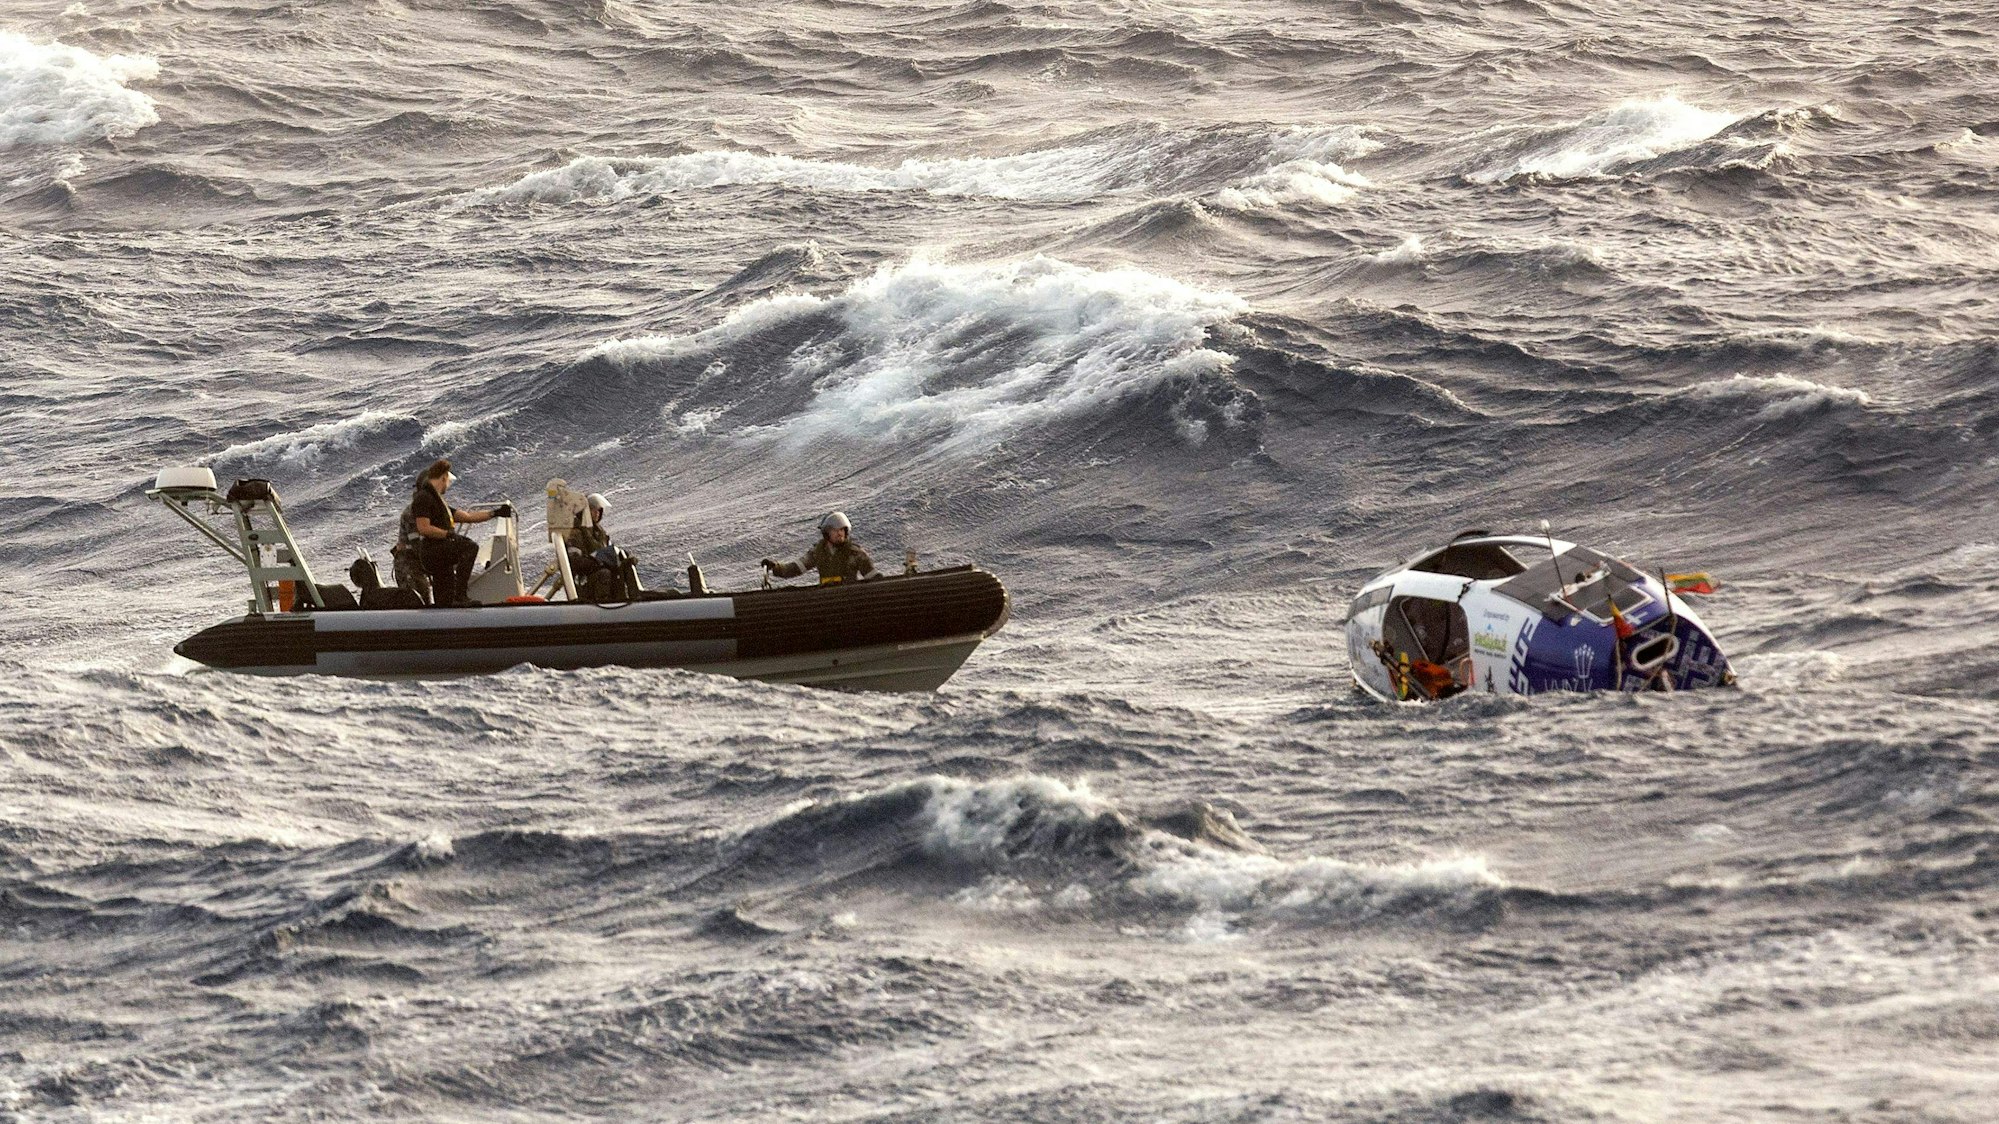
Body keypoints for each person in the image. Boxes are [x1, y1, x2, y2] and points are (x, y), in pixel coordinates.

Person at [406, 458, 511, 606]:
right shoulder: (423, 498)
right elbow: (423, 528)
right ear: (443, 477)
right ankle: (460, 594)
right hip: (432, 551)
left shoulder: (439, 502)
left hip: (441, 552)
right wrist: (447, 534)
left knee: (444, 596)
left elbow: (468, 517)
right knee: (469, 547)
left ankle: (449, 606)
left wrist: (494, 513)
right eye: (448, 480)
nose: (448, 485)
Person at [763, 511, 876, 585]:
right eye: (835, 530)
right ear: (827, 533)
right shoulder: (818, 552)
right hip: (826, 597)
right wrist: (775, 567)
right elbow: (796, 568)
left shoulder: (855, 553)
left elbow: (873, 577)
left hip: (848, 597)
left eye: (842, 529)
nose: (839, 533)